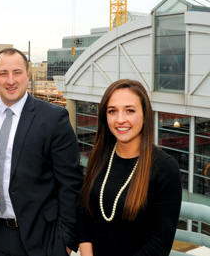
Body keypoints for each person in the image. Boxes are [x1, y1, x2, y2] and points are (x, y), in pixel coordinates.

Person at [0, 48, 83, 256]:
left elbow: (70, 183)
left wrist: (66, 241)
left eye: (17, 72)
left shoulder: (53, 118)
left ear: (27, 76)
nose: (10, 80)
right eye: (4, 74)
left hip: (42, 238)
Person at [77, 79, 182, 256]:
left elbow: (159, 244)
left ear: (144, 115)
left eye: (130, 111)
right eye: (112, 111)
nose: (120, 120)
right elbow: (84, 213)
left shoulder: (165, 168)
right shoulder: (100, 155)